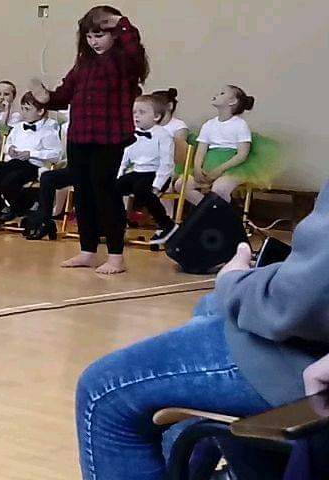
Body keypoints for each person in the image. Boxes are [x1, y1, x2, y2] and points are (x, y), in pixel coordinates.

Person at [74, 176, 329, 480]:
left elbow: (295, 303)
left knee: (103, 391)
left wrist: (233, 281)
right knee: (210, 308)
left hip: (309, 364)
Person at [31, 6, 148, 275]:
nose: (94, 41)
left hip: (109, 137)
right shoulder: (84, 64)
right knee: (83, 193)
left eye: (100, 35)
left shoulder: (123, 62)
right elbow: (64, 95)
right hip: (80, 136)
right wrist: (46, 98)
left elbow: (134, 50)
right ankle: (88, 250)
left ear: (114, 35)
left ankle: (116, 256)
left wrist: (122, 22)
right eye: (89, 36)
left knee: (104, 192)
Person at [181, 85, 280, 206]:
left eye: (222, 93)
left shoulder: (240, 125)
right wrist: (197, 168)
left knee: (219, 188)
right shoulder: (208, 125)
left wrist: (220, 170)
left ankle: (218, 212)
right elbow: (201, 150)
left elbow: (242, 154)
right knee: (181, 185)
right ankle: (211, 211)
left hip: (232, 167)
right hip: (209, 163)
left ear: (232, 101)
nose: (217, 95)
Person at [0, 92, 62, 231]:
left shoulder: (48, 130)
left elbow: (56, 154)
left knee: (8, 183)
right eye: (22, 108)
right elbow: (7, 144)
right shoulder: (18, 127)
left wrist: (32, 154)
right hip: (13, 163)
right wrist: (10, 149)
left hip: (31, 166)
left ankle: (21, 208)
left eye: (28, 109)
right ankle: (0, 211)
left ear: (40, 111)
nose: (24, 113)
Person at [116, 94, 177, 244]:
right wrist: (118, 175)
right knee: (112, 188)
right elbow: (124, 159)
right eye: (134, 112)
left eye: (141, 112)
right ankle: (116, 224)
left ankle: (166, 224)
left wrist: (157, 185)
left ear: (156, 116)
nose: (136, 116)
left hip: (157, 173)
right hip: (138, 172)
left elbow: (167, 163)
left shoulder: (163, 136)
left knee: (142, 189)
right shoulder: (132, 134)